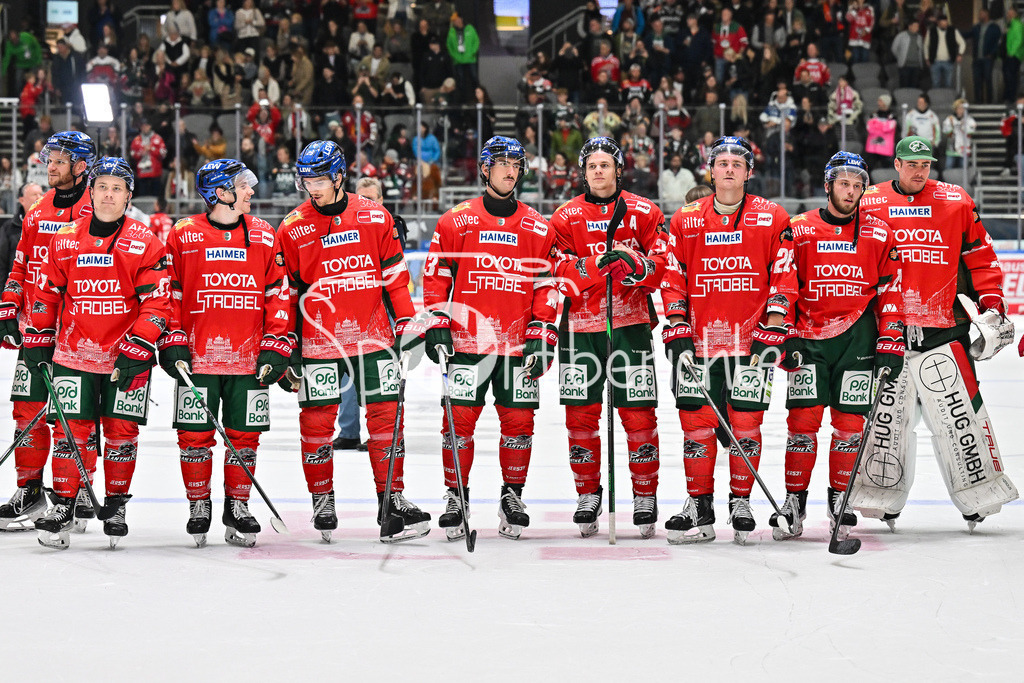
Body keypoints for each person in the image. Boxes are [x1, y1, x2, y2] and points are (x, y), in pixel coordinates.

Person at [853, 136, 1017, 531]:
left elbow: (979, 255)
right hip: (886, 333)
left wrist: (991, 303)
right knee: (888, 423)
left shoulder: (956, 200)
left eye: (925, 163)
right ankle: (882, 499)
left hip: (944, 330)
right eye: (911, 163)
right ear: (896, 164)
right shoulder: (869, 200)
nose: (919, 170)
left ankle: (979, 497)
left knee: (960, 420)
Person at [275, 140, 430, 542]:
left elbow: (395, 279)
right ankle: (322, 498)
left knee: (386, 421)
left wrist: (408, 326)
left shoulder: (375, 216)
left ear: (340, 175)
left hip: (374, 338)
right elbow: (286, 294)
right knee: (316, 423)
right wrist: (286, 344)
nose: (313, 186)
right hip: (317, 343)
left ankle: (390, 500)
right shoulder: (292, 226)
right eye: (305, 179)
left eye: (320, 178)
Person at [26, 157, 170, 549]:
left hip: (127, 358)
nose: (109, 194)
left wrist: (139, 344)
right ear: (91, 191)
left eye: (117, 188)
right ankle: (65, 503)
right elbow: (45, 293)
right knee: (70, 434)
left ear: (128, 196)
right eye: (102, 186)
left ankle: (117, 503)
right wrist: (39, 336)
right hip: (73, 354)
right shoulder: (66, 238)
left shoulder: (145, 241)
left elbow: (158, 303)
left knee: (122, 434)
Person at [661, 136, 797, 545]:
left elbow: (784, 277)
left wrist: (772, 328)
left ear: (749, 172)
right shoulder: (684, 219)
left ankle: (740, 500)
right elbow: (673, 279)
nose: (729, 168)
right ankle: (699, 505)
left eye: (738, 163)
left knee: (746, 425)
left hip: (751, 343)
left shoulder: (773, 217)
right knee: (696, 427)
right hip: (699, 344)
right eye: (721, 162)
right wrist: (677, 327)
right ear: (711, 170)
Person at [422, 136, 557, 541]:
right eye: (502, 163)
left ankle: (512, 495)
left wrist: (542, 332)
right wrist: (437, 322)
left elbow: (545, 285)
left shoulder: (537, 226)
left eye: (516, 164)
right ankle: (456, 496)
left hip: (517, 347)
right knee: (456, 425)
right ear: (485, 169)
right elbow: (436, 275)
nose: (510, 170)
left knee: (519, 424)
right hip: (466, 344)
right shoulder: (455, 220)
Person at [771, 152, 902, 542]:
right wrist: (786, 333)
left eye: (858, 185)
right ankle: (794, 502)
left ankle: (840, 500)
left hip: (857, 342)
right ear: (828, 185)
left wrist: (891, 341)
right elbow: (783, 283)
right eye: (844, 183)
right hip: (809, 342)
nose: (851, 191)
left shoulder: (879, 232)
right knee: (802, 426)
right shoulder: (798, 229)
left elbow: (890, 290)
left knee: (849, 428)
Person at [157, 159, 289, 548]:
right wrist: (173, 338)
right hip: (196, 360)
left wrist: (276, 344)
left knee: (245, 435)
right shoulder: (183, 234)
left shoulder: (265, 234)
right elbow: (171, 294)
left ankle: (239, 506)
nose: (251, 191)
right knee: (194, 434)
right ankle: (199, 505)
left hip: (250, 360)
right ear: (221, 192)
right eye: (243, 185)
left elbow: (277, 294)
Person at [548, 136, 670, 539]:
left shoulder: (644, 211)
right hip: (578, 331)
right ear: (583, 172)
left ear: (619, 169)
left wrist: (634, 265)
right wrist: (593, 265)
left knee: (638, 416)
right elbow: (557, 271)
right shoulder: (564, 217)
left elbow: (662, 267)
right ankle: (587, 493)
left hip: (631, 326)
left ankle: (644, 495)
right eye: (592, 165)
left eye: (606, 164)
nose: (598, 171)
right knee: (580, 419)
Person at [0, 132, 96, 531]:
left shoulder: (101, 208)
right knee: (27, 411)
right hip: (37, 329)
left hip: (82, 334)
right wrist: (9, 303)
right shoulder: (38, 211)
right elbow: (21, 265)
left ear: (80, 166)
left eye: (58, 160)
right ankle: (30, 489)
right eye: (49, 159)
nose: (49, 166)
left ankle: (78, 491)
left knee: (75, 417)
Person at [924, 14, 965, 90]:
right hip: (935, 61)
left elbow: (962, 42)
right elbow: (926, 45)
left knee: (948, 84)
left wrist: (960, 54)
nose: (945, 25)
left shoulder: (953, 30)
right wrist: (927, 58)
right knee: (935, 84)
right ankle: (936, 101)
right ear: (938, 23)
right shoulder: (931, 31)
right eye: (943, 23)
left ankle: (947, 101)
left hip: (948, 61)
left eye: (946, 23)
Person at [941, 99, 977, 172]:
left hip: (964, 150)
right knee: (948, 171)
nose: (960, 110)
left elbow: (971, 131)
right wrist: (951, 125)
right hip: (951, 150)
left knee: (963, 172)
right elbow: (946, 131)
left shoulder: (969, 120)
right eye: (958, 108)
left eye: (962, 108)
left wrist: (962, 126)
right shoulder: (950, 119)